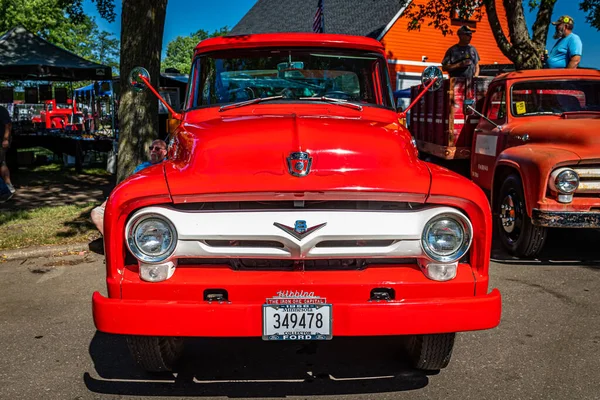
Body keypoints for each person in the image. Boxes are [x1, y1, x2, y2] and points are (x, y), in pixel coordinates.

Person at [91, 139, 168, 235]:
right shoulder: (141, 167)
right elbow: (129, 184)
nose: (153, 151)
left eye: (157, 149)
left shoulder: (167, 167)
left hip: (149, 202)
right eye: (151, 148)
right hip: (132, 197)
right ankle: (115, 241)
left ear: (165, 152)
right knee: (96, 213)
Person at [0, 104, 15, 203]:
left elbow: (8, 125)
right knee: (2, 163)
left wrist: (5, 139)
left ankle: (4, 191)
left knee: (1, 163)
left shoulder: (1, 110)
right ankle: (8, 187)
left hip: (1, 141)